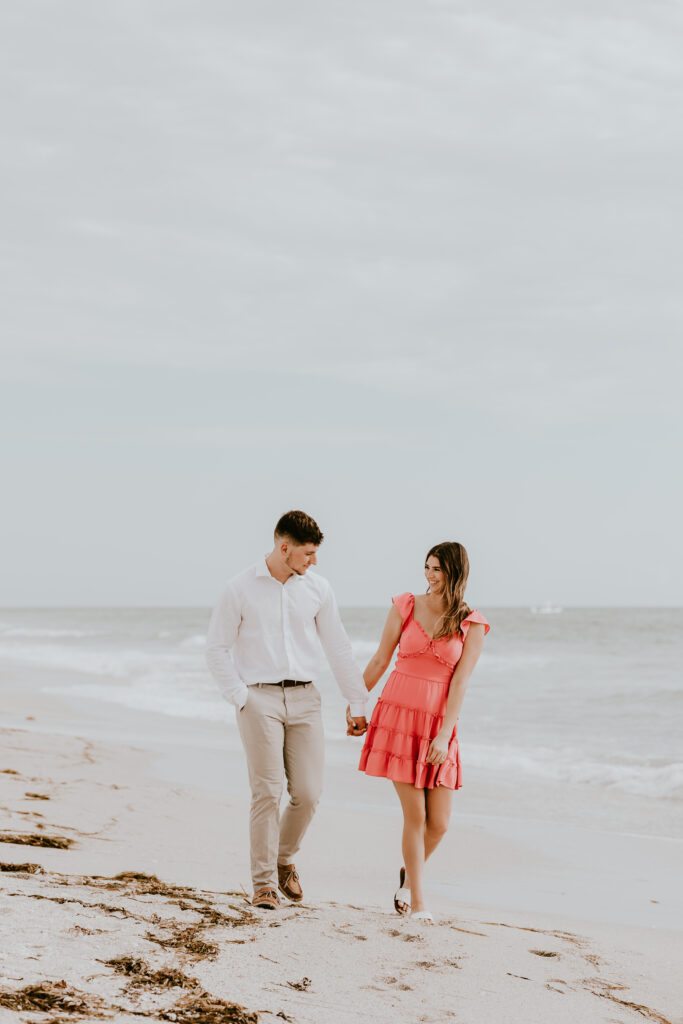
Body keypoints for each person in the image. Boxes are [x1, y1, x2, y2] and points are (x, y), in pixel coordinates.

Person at [206, 510, 368, 911]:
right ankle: (262, 884)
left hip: (306, 699)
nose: (314, 561)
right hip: (257, 698)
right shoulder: (238, 588)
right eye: (308, 553)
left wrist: (358, 700)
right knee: (267, 790)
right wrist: (239, 696)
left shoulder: (318, 589)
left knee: (309, 794)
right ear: (284, 548)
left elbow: (338, 647)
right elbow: (216, 648)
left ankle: (283, 860)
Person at [354, 541, 489, 924]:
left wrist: (444, 735)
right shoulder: (405, 605)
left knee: (439, 823)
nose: (429, 576)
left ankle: (406, 876)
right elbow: (380, 659)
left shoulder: (471, 622)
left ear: (455, 573)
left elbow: (460, 683)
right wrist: (356, 703)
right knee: (414, 815)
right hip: (398, 717)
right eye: (427, 567)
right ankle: (418, 903)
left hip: (437, 724)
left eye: (438, 569)